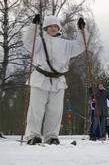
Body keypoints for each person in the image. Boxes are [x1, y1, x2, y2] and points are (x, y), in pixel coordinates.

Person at [23, 15, 87, 145]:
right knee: (36, 109)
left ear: (59, 28)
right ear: (46, 28)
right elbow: (28, 42)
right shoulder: (39, 41)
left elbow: (81, 45)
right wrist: (33, 26)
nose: (53, 28)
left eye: (55, 26)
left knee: (55, 111)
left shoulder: (66, 44)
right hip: (40, 80)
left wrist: (82, 30)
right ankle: (32, 136)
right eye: (50, 26)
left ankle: (51, 136)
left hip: (58, 81)